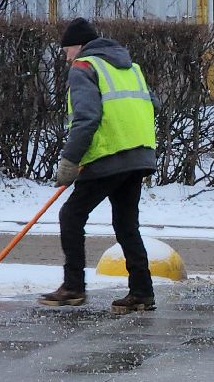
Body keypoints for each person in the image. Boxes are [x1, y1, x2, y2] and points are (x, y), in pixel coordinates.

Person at [39, 18, 159, 314]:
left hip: (108, 155)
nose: (66, 57)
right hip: (139, 154)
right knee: (126, 224)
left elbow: (86, 118)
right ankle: (142, 292)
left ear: (79, 47)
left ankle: (73, 287)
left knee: (71, 215)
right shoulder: (131, 68)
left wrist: (70, 160)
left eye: (67, 50)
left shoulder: (84, 68)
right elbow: (152, 103)